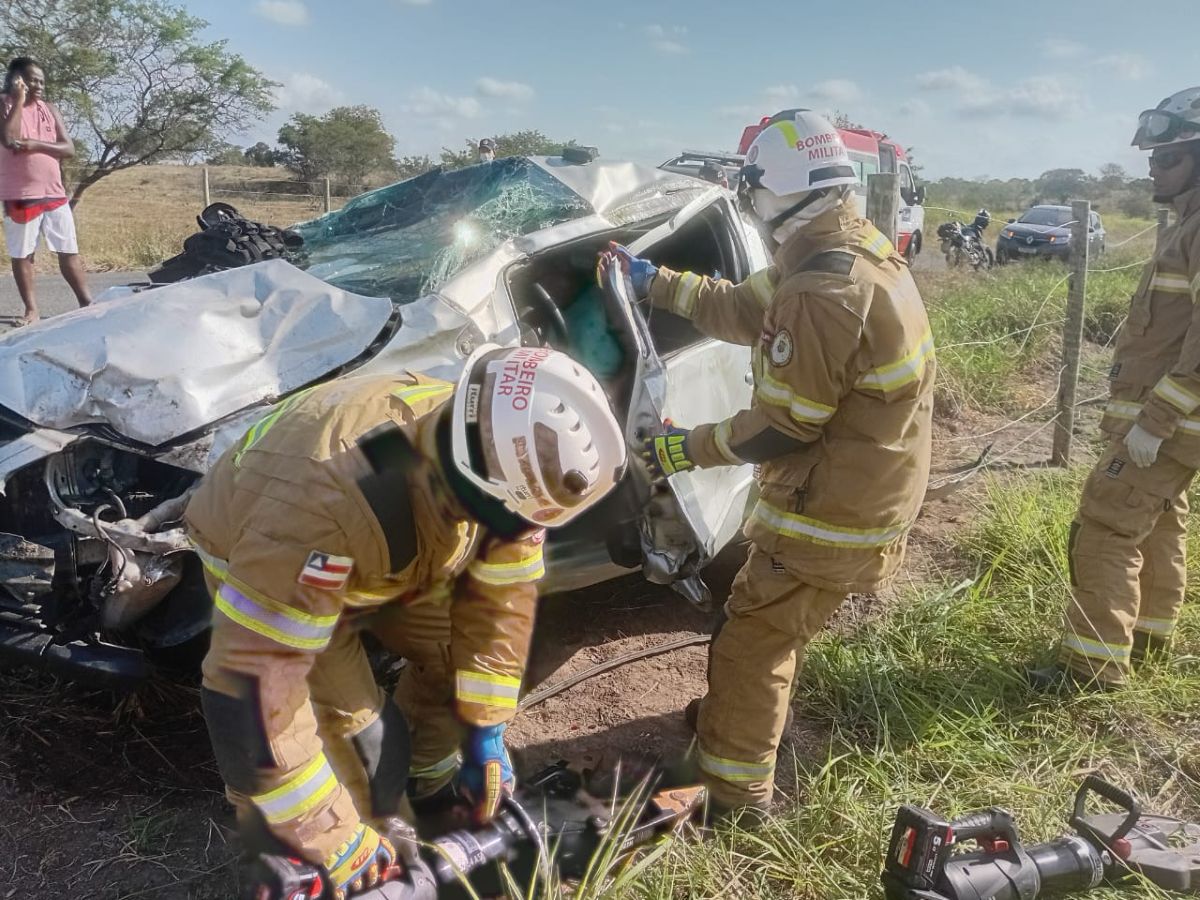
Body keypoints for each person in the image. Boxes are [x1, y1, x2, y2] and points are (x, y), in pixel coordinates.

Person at [185, 346, 626, 898]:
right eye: (518, 518)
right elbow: (249, 694)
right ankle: (290, 862)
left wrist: (485, 728)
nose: (524, 531)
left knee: (454, 665)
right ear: (478, 489)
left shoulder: (490, 445)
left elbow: (500, 604)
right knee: (361, 745)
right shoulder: (323, 507)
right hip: (269, 552)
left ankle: (428, 777)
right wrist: (331, 836)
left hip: (394, 556)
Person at [599, 109, 934, 819]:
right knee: (765, 628)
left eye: (752, 183)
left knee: (753, 638)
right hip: (858, 486)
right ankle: (736, 723)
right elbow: (740, 309)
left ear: (777, 186)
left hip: (836, 509)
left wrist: (681, 448)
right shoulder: (827, 246)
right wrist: (652, 280)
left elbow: (786, 424)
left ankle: (732, 792)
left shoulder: (823, 286)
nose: (747, 196)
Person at [1030, 87, 1200, 691]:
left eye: (1169, 158)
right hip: (1171, 425)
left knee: (1105, 523)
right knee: (1159, 518)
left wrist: (1154, 423)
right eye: (1153, 157)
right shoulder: (1185, 225)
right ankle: (1150, 635)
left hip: (1172, 424)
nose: (1153, 168)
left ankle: (1090, 670)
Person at [0, 57, 91, 325]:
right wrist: (18, 99)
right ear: (17, 80)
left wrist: (36, 144)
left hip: (54, 192)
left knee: (68, 249)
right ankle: (32, 310)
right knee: (24, 253)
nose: (38, 85)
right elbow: (9, 139)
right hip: (20, 194)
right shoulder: (4, 104)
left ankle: (87, 303)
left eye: (41, 80)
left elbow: (68, 149)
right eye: (32, 80)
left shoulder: (49, 109)